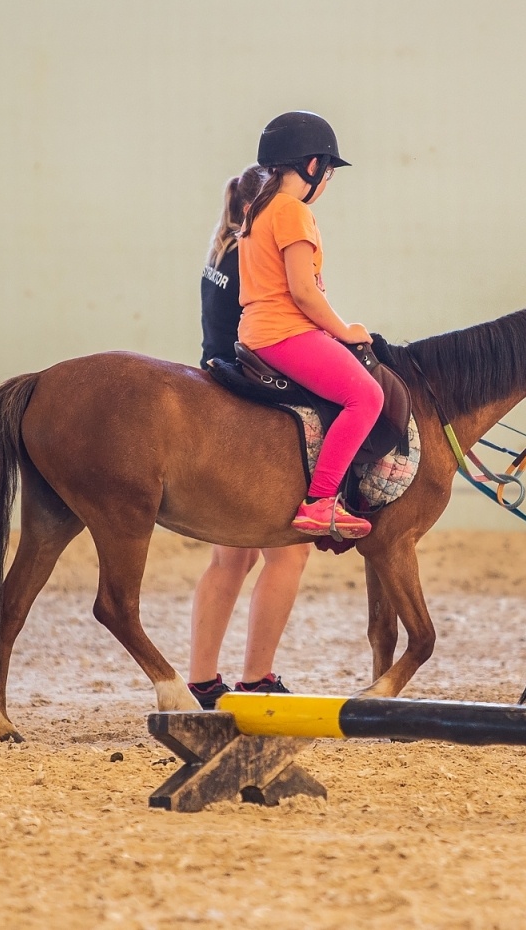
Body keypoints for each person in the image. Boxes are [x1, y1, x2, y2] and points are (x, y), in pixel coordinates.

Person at [187, 166, 315, 708]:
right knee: (289, 555)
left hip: (217, 374)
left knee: (230, 559)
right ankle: (257, 676)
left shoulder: (220, 250)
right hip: (248, 389)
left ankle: (201, 677)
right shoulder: (257, 253)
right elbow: (285, 324)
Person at [236, 110, 383, 540]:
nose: (326, 184)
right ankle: (321, 502)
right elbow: (303, 291)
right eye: (329, 172)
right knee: (366, 397)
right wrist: (343, 330)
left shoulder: (258, 209)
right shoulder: (292, 212)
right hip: (283, 331)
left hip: (257, 331)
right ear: (313, 165)